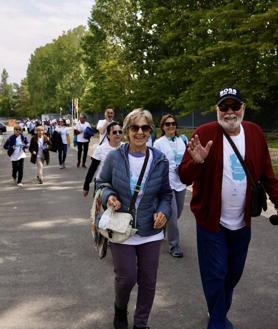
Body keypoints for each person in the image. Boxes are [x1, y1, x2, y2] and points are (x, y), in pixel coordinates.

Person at [178, 87, 278, 329]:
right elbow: (183, 176)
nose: (230, 112)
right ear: (217, 110)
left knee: (233, 273)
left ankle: (218, 309)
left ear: (243, 108)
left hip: (243, 221)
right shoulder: (204, 133)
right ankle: (219, 321)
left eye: (235, 106)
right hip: (212, 222)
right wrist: (197, 162)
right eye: (224, 107)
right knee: (216, 274)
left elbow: (267, 175)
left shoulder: (254, 133)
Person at [96, 108, 172, 329]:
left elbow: (166, 194)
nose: (140, 132)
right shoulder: (114, 156)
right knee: (126, 277)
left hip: (151, 229)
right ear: (127, 130)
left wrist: (164, 212)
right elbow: (101, 184)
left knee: (148, 282)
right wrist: (109, 197)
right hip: (122, 228)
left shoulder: (159, 160)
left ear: (151, 130)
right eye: (135, 127)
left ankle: (141, 324)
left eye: (145, 127)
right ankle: (120, 309)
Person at [154, 114, 187, 257]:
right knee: (173, 216)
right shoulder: (158, 143)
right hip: (166, 183)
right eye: (167, 124)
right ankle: (174, 245)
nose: (171, 126)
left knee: (177, 213)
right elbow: (155, 164)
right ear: (163, 127)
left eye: (173, 123)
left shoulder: (182, 140)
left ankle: (163, 225)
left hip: (181, 182)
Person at [83, 122, 123, 196]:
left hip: (120, 186)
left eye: (120, 132)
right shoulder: (100, 149)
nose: (118, 134)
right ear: (108, 135)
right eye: (114, 132)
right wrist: (86, 185)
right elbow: (92, 168)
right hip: (103, 185)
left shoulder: (126, 148)